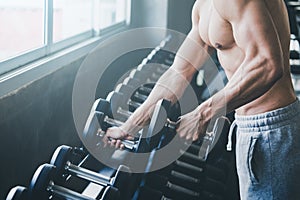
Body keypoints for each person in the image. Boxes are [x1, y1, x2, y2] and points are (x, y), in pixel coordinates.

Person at [104, 0, 300, 199]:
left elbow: (267, 64)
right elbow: (179, 72)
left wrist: (202, 115)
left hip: (271, 130)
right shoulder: (204, 5)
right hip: (247, 127)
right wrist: (129, 126)